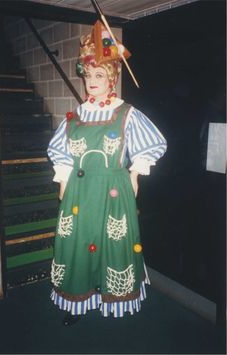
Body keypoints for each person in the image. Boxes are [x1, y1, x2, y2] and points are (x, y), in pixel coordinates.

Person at [47, 20, 167, 325]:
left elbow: (151, 144)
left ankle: (111, 299)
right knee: (78, 244)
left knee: (111, 244)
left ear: (111, 77)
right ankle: (76, 302)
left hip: (114, 190)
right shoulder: (74, 117)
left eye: (98, 75)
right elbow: (60, 152)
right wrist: (62, 180)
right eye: (88, 75)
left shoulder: (126, 113)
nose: (91, 81)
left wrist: (135, 174)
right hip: (78, 191)